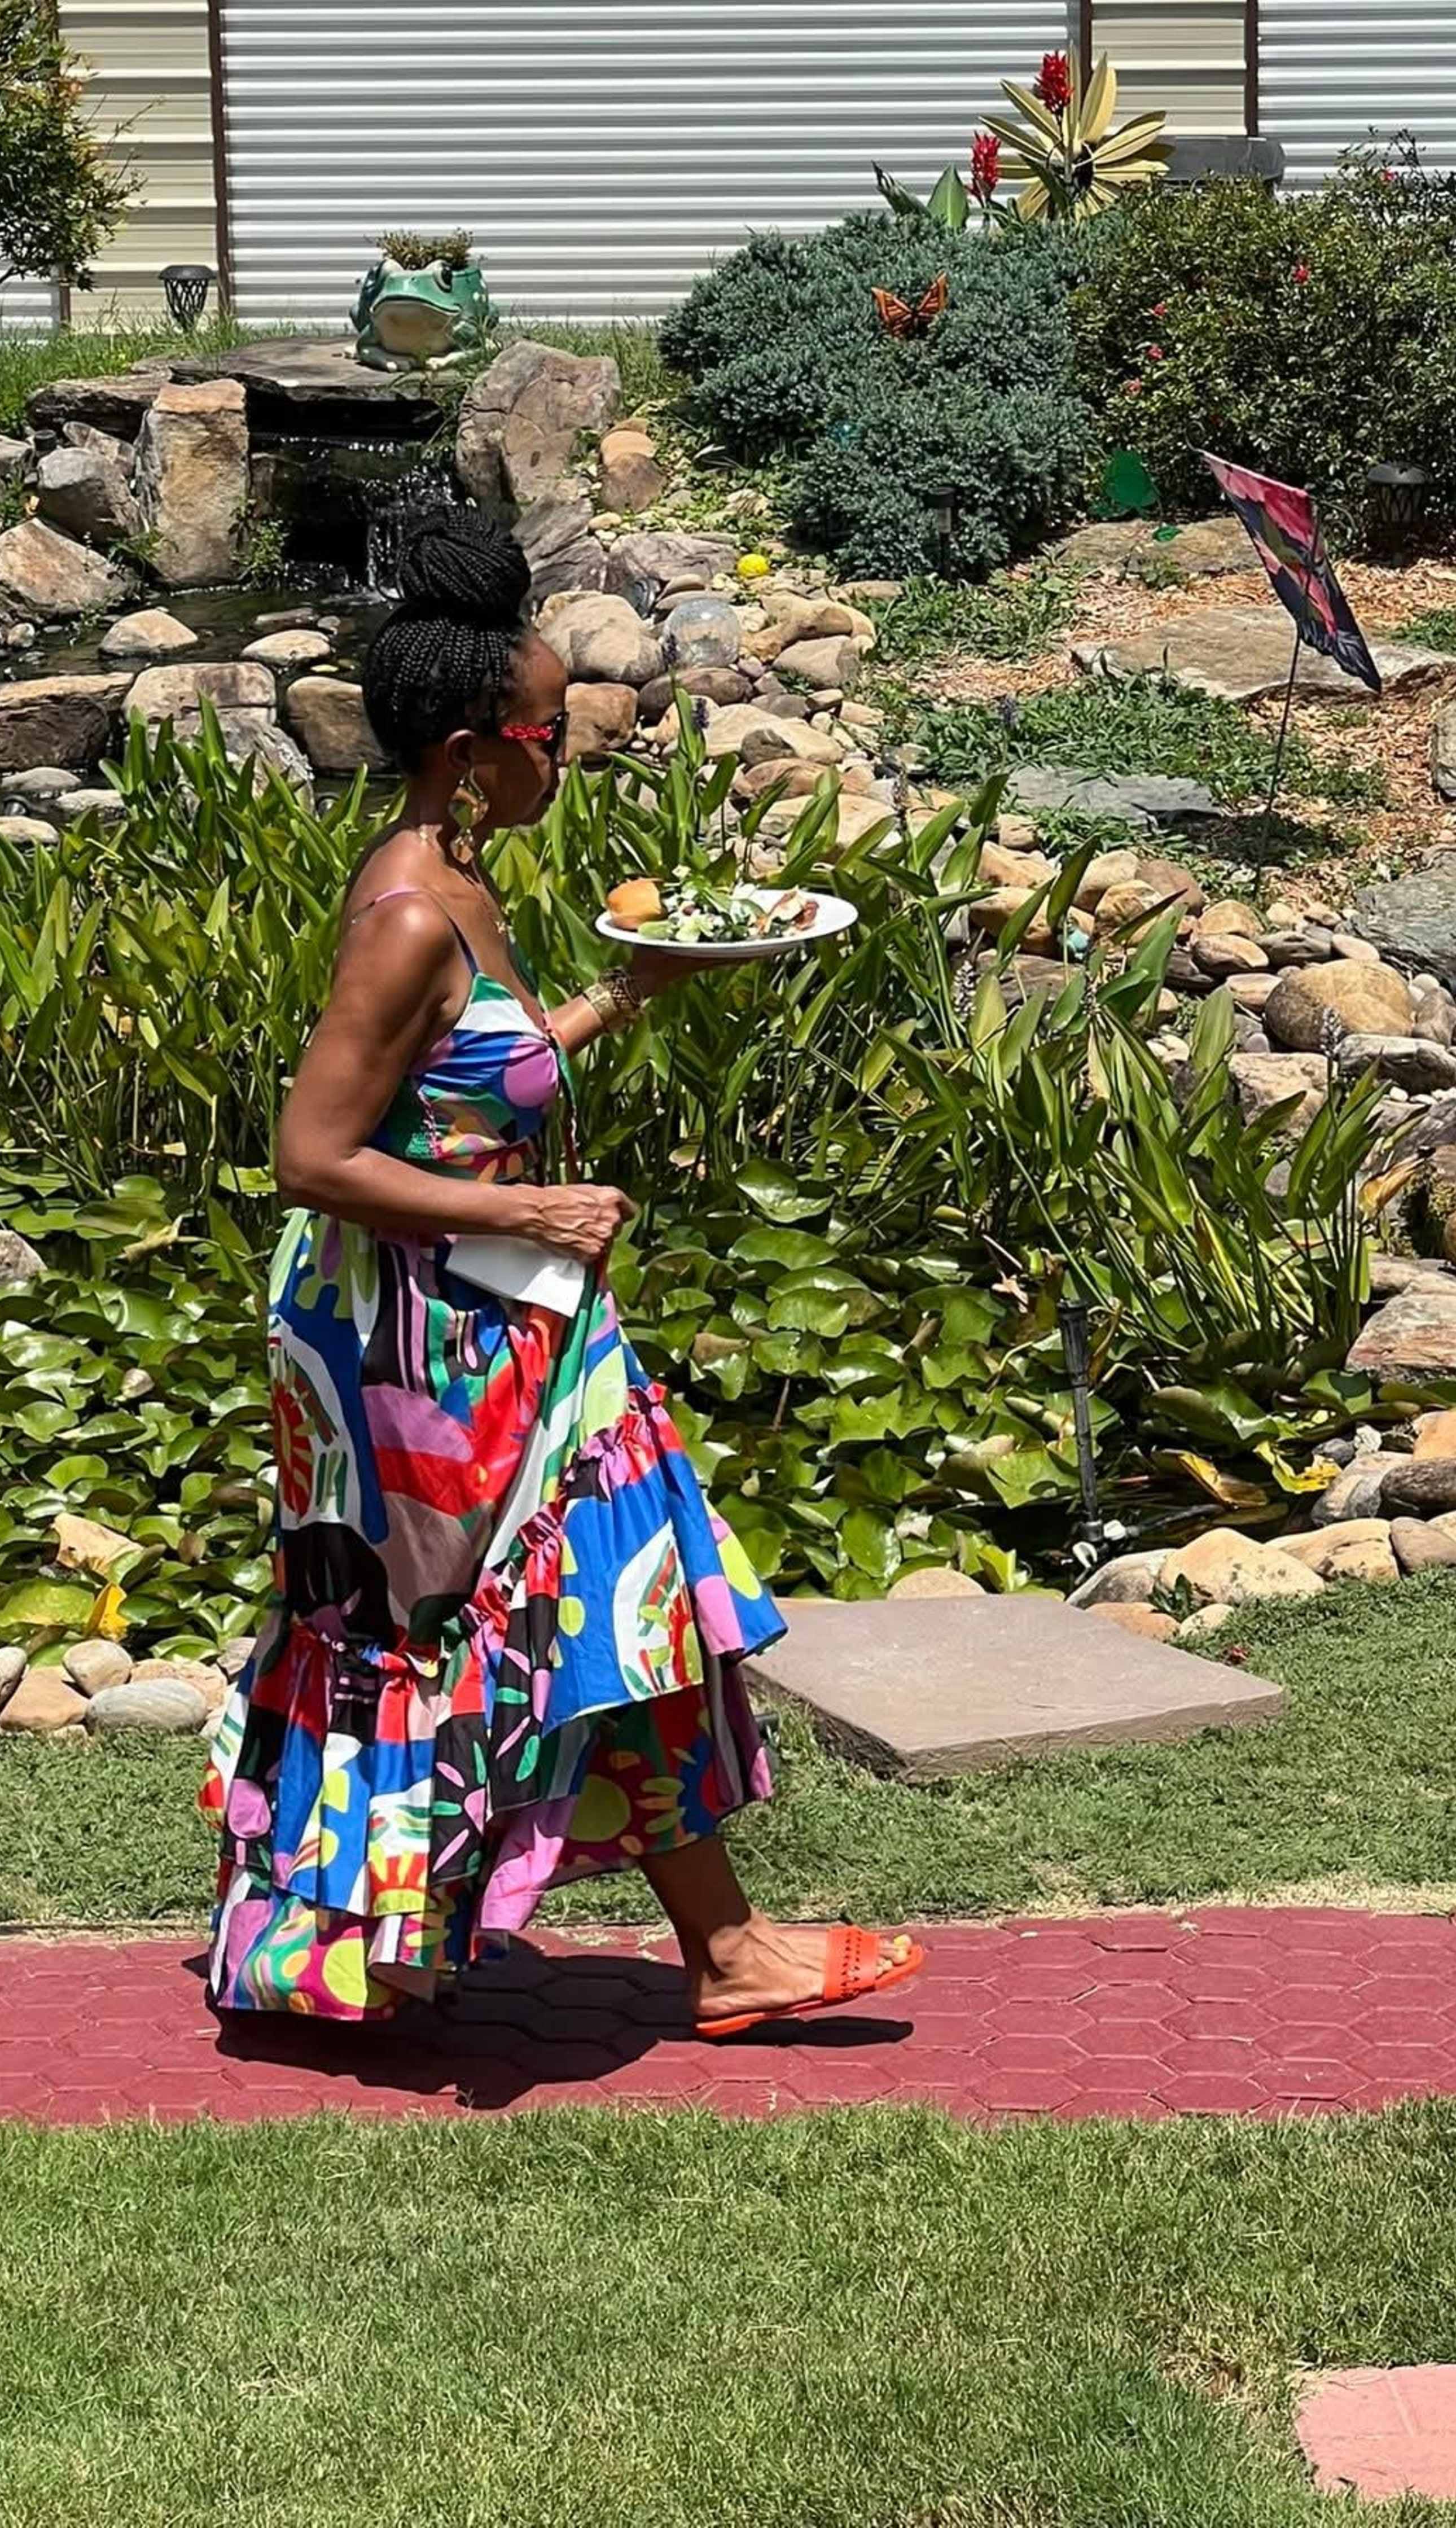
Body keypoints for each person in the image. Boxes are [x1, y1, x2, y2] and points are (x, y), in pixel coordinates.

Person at [200, 505, 924, 2036]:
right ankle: (692, 1954)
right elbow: (313, 1156)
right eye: (551, 736)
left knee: (617, 1607)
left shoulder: (459, 875)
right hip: (428, 1350)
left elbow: (471, 1090)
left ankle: (690, 1953)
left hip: (503, 1327)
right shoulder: (406, 912)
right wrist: (532, 1220)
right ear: (474, 749)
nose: (565, 758)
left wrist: (625, 993)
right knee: (566, 1607)